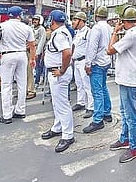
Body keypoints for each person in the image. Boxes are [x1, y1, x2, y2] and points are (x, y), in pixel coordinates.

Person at [107, 6, 136, 163]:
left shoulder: (132, 35)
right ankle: (125, 139)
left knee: (130, 115)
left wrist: (115, 32)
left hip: (130, 79)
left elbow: (110, 50)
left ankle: (135, 147)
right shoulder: (135, 33)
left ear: (124, 21)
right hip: (127, 78)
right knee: (125, 112)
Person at [0, 6, 36, 124]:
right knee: (22, 83)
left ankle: (7, 115)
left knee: (6, 85)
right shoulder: (27, 27)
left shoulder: (0, 26)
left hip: (7, 55)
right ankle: (20, 110)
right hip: (22, 55)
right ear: (19, 15)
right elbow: (32, 45)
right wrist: (32, 59)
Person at [41, 10, 75, 153]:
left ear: (51, 21)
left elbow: (67, 53)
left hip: (58, 73)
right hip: (56, 72)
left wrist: (62, 70)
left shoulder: (60, 34)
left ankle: (68, 135)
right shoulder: (63, 31)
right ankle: (57, 127)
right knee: (56, 103)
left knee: (62, 104)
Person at [83, 6, 113, 133]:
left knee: (97, 91)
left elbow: (92, 47)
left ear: (96, 15)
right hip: (105, 61)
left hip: (96, 63)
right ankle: (107, 112)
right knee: (103, 87)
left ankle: (98, 120)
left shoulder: (96, 28)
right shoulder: (108, 27)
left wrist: (88, 63)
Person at [70, 11, 93, 118]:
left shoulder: (88, 32)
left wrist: (88, 63)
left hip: (84, 61)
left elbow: (90, 48)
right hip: (76, 61)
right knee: (79, 83)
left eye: (75, 20)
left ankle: (91, 107)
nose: (73, 22)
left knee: (87, 85)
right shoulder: (77, 32)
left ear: (81, 21)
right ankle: (81, 102)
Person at [30, 14, 46, 99]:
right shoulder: (31, 28)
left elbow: (42, 41)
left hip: (37, 50)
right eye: (34, 19)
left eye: (36, 20)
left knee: (37, 67)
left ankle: (36, 82)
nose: (34, 21)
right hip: (30, 49)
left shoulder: (41, 29)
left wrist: (38, 52)